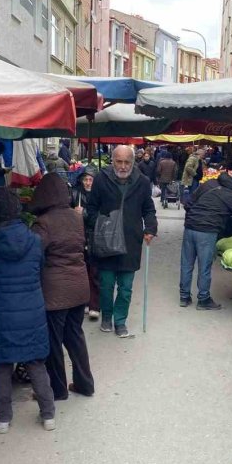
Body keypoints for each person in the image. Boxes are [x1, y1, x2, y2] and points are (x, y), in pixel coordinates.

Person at [0, 189, 55, 433]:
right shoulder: (34, 240)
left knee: (2, 365)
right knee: (35, 362)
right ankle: (48, 415)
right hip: (31, 309)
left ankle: (3, 419)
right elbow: (39, 268)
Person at [31, 174, 96, 400]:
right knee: (75, 336)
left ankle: (58, 390)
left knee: (53, 342)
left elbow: (34, 254)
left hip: (55, 292)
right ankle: (85, 383)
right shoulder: (76, 217)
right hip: (79, 286)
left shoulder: (43, 223)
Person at [86, 145, 158, 338]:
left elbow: (149, 209)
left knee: (125, 288)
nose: (123, 166)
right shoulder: (102, 178)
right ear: (113, 160)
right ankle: (107, 317)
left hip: (130, 243)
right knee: (106, 286)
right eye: (119, 161)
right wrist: (102, 224)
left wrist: (150, 228)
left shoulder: (142, 182)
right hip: (106, 242)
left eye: (127, 162)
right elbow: (91, 208)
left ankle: (120, 321)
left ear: (133, 162)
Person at [180, 171, 232, 310]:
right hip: (207, 231)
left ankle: (184, 297)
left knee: (187, 263)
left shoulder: (209, 183)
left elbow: (188, 203)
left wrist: (193, 218)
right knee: (204, 266)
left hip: (189, 228)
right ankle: (203, 299)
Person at [70, 166, 101, 320]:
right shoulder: (75, 193)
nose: (88, 183)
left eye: (91, 180)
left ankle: (95, 304)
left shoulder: (100, 196)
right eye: (85, 180)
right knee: (82, 272)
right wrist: (72, 213)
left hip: (95, 237)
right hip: (79, 237)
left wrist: (84, 213)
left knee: (95, 272)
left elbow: (100, 218)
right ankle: (85, 303)